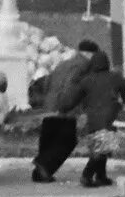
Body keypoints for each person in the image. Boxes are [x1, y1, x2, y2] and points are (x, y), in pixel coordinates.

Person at [54, 42, 125, 188]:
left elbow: (71, 100)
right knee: (103, 148)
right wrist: (122, 106)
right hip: (111, 117)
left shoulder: (87, 80)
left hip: (93, 119)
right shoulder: (116, 77)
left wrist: (62, 108)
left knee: (100, 147)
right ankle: (87, 176)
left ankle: (101, 176)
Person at [31, 41, 100, 184]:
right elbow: (72, 86)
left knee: (49, 139)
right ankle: (43, 165)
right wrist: (69, 106)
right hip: (64, 107)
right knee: (67, 141)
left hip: (49, 106)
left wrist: (47, 102)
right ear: (89, 54)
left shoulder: (64, 63)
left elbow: (48, 81)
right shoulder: (84, 66)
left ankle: (39, 173)